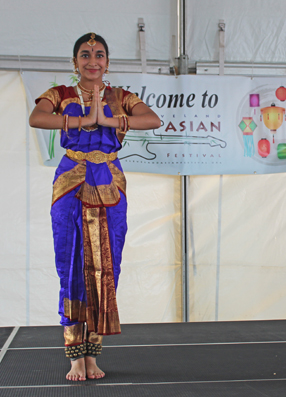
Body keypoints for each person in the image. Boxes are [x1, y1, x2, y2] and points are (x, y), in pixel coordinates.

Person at [29, 33, 161, 381]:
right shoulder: (61, 95)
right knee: (72, 262)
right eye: (85, 54)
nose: (92, 60)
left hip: (110, 184)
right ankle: (75, 354)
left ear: (107, 62)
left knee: (107, 264)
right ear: (75, 63)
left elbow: (153, 120)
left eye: (99, 54)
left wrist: (109, 121)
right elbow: (37, 118)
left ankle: (93, 352)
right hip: (71, 181)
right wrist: (80, 122)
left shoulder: (120, 97)